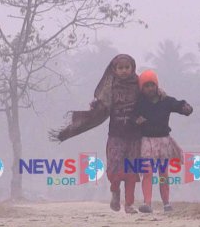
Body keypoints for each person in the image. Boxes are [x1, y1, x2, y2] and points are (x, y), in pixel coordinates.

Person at [50, 54, 142, 214]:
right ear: (114, 70)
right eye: (120, 68)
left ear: (133, 68)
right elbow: (102, 104)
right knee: (114, 168)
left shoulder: (139, 85)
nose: (124, 71)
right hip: (116, 135)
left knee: (132, 172)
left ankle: (129, 204)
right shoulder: (110, 87)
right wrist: (96, 106)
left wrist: (159, 93)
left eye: (127, 67)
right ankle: (115, 191)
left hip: (134, 136)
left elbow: (151, 94)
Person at [134, 69, 193, 213]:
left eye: (152, 85)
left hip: (163, 142)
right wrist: (136, 120)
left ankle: (166, 203)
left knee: (163, 173)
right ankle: (147, 203)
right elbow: (131, 115)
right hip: (147, 141)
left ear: (156, 85)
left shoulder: (165, 101)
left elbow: (178, 105)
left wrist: (186, 108)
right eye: (146, 86)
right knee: (147, 173)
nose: (149, 89)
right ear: (142, 87)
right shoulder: (139, 102)